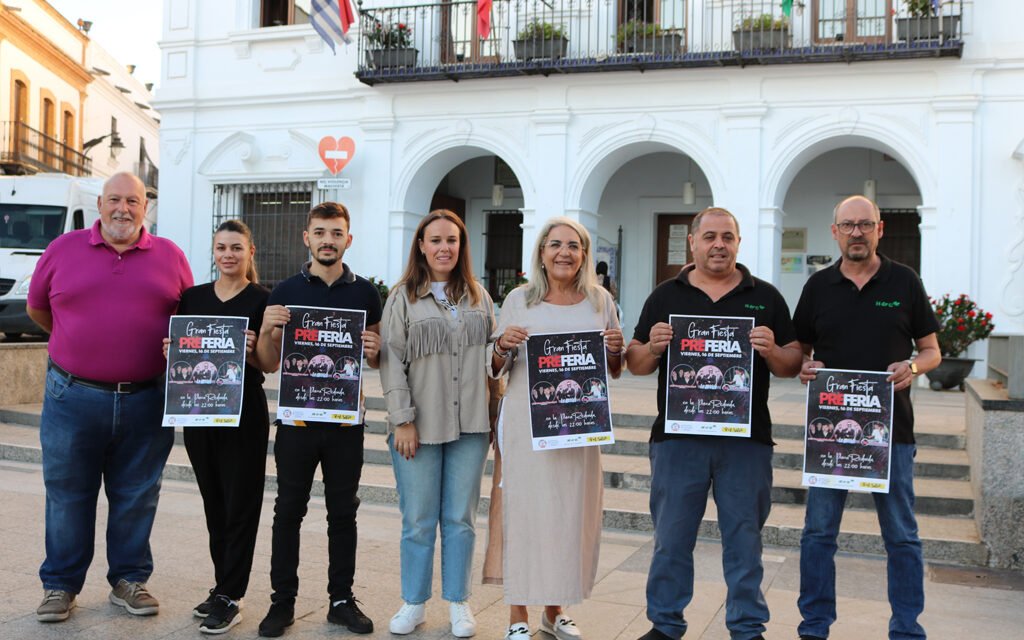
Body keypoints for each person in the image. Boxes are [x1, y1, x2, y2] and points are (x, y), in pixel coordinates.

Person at [624, 207, 802, 640]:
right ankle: (665, 625)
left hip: (746, 440)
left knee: (744, 540)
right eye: (709, 237)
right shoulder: (666, 295)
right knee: (671, 539)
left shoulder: (767, 296)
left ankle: (746, 628)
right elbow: (636, 362)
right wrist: (653, 347)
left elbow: (792, 363)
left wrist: (773, 350)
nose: (718, 244)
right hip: (677, 438)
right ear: (693, 242)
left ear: (738, 242)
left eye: (727, 236)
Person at [26, 172, 193, 622]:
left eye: (133, 201)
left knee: (137, 494)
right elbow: (39, 309)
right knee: (67, 493)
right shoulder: (62, 249)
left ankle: (129, 580)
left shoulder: (171, 257)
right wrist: (78, 347)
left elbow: (187, 323)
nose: (123, 209)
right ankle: (60, 586)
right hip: (72, 396)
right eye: (114, 200)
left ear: (146, 208)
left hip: (146, 397)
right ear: (100, 204)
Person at [794, 195, 940, 640]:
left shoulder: (905, 282)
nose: (856, 232)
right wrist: (805, 367)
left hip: (893, 432)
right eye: (848, 225)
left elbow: (932, 350)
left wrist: (913, 367)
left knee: (901, 536)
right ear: (835, 232)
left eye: (865, 224)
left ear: (880, 229)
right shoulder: (818, 286)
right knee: (818, 534)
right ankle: (814, 627)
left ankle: (907, 629)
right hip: (830, 435)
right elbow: (800, 352)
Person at [487, 217, 624, 640]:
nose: (564, 252)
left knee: (567, 515)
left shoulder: (599, 301)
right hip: (527, 425)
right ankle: (517, 614)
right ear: (542, 253)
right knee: (524, 513)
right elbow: (494, 367)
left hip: (580, 427)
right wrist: (500, 346)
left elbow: (613, 369)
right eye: (555, 245)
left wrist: (617, 350)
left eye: (573, 245)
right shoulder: (518, 300)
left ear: (584, 253)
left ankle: (555, 610)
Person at [254, 202, 382, 638]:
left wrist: (374, 351)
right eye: (320, 232)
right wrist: (271, 330)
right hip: (297, 423)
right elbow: (269, 364)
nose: (329, 239)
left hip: (346, 424)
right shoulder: (285, 289)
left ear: (349, 239)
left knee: (343, 513)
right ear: (306, 237)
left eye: (337, 232)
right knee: (288, 511)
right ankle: (281, 602)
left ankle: (341, 600)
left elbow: (377, 356)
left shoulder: (365, 293)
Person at [380, 210, 496, 637]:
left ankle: (459, 602)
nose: (444, 247)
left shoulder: (479, 296)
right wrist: (402, 420)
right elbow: (392, 362)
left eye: (452, 239)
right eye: (436, 240)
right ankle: (413, 602)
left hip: (470, 426)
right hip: (419, 427)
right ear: (422, 247)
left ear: (462, 246)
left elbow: (491, 359)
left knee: (461, 519)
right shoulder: (402, 297)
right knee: (418, 519)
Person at [163, 219, 270, 634]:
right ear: (213, 251)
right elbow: (183, 357)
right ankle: (221, 583)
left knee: (241, 502)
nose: (228, 254)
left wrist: (253, 349)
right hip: (199, 412)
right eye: (222, 247)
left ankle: (231, 594)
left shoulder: (263, 299)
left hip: (244, 412)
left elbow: (270, 363)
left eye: (236, 248)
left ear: (250, 252)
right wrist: (172, 349)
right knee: (214, 502)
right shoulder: (191, 297)